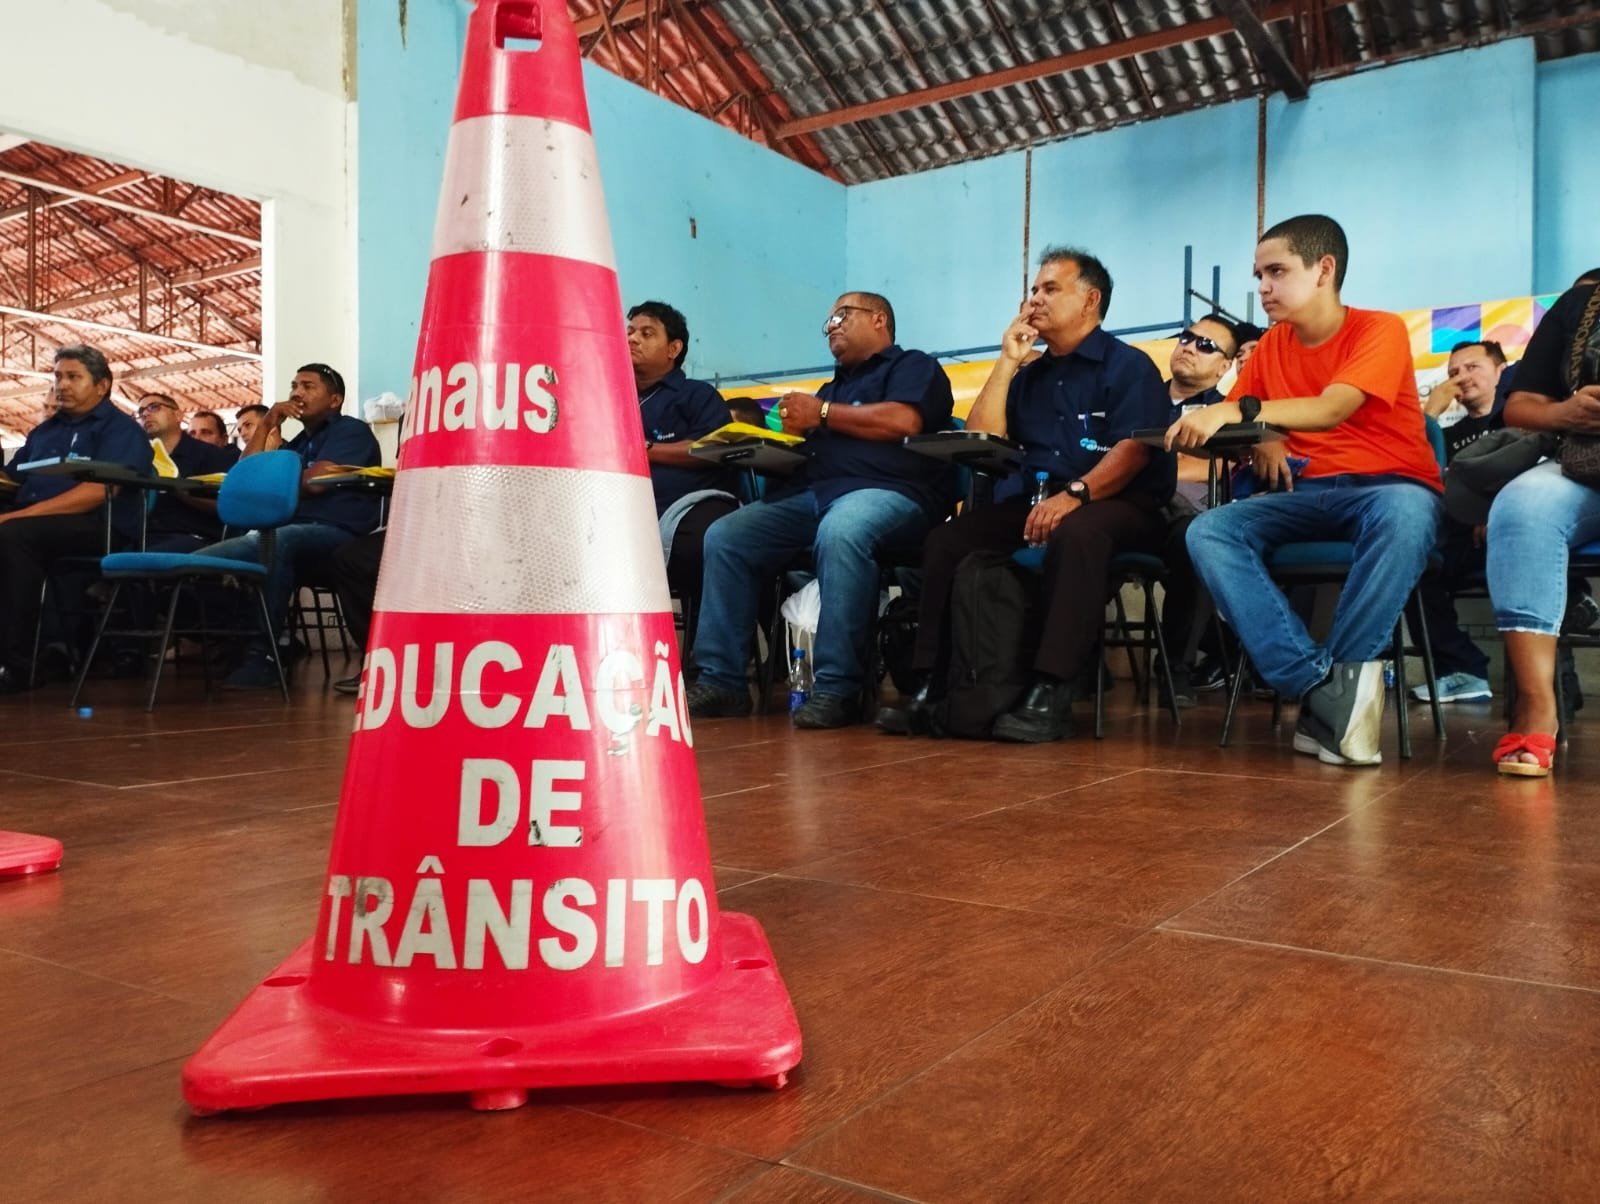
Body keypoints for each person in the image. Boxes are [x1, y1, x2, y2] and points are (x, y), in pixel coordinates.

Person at [1169, 214, 1442, 767]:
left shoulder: (1378, 329)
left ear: (1324, 270)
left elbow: (1331, 406)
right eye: (1258, 275)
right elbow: (1245, 421)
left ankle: (1333, 700)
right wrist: (1265, 435)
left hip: (1386, 488)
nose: (1263, 287)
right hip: (1303, 492)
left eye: (1277, 271)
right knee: (1209, 529)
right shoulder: (1272, 345)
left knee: (1407, 512)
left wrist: (1242, 412)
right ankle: (1320, 684)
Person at [878, 247, 1172, 743]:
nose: (1035, 299)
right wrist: (1008, 360)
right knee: (948, 541)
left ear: (1090, 300)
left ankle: (1051, 690)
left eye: (1050, 289)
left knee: (1078, 533)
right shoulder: (1030, 375)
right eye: (1033, 289)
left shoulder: (1128, 366)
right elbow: (983, 437)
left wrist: (1076, 494)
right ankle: (932, 685)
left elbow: (1134, 450)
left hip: (1119, 502)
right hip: (1037, 499)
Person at [687, 291, 954, 728]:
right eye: (828, 322)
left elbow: (904, 421)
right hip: (813, 493)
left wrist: (823, 413)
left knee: (843, 530)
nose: (832, 327)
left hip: (891, 492)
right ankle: (722, 681)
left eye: (841, 316)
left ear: (879, 319)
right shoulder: (831, 389)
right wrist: (768, 450)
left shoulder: (913, 366)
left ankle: (838, 687)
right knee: (727, 535)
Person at [199, 363, 382, 689]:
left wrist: (273, 484)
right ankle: (270, 643)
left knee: (276, 540)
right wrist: (268, 423)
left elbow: (315, 484)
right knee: (204, 561)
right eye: (294, 386)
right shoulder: (297, 444)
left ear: (334, 400)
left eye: (308, 386)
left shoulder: (350, 431)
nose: (297, 393)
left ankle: (264, 655)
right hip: (291, 532)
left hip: (337, 533)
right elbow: (245, 477)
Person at [1483, 271, 1600, 775]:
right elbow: (1520, 405)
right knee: (1521, 507)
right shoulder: (1581, 303)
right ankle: (1536, 704)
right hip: (1585, 460)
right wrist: (1568, 413)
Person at [0, 345, 153, 692]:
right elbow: (13, 479)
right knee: (15, 533)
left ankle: (17, 665)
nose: (62, 385)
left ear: (102, 385)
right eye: (57, 377)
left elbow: (98, 492)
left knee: (13, 536)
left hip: (99, 525)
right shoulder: (45, 431)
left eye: (73, 377)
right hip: (35, 524)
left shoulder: (120, 431)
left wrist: (17, 517)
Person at [630, 301, 739, 646]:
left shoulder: (698, 395)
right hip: (624, 509)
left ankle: (704, 653)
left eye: (647, 333)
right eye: (630, 331)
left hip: (692, 503)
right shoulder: (611, 396)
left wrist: (642, 449)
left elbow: (710, 450)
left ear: (674, 349)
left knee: (701, 542)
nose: (633, 339)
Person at [1405, 340, 1508, 704]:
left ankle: (1575, 599)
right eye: (1453, 372)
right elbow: (1413, 473)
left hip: (1513, 531)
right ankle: (1463, 671)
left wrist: (1495, 510)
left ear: (1500, 371)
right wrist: (1430, 414)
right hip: (1458, 538)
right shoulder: (1446, 436)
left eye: (1472, 367)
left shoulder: (1520, 418)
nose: (1461, 377)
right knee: (1411, 568)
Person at [1153, 315, 1239, 704]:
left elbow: (1225, 467)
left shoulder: (1226, 412)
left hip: (1185, 516)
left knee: (1195, 541)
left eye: (1206, 345)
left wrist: (1154, 463)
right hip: (1125, 508)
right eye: (1187, 338)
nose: (1189, 347)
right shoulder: (1138, 396)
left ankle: (1176, 668)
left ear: (1224, 367)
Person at [136, 393, 236, 552]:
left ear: (178, 415)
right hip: (142, 537)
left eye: (154, 407)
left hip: (195, 539)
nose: (145, 414)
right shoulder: (138, 457)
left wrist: (177, 488)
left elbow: (229, 506)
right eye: (140, 411)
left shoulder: (212, 455)